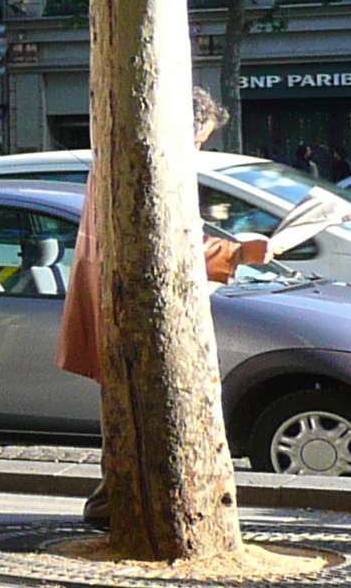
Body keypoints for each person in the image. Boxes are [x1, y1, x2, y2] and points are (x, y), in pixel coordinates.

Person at [56, 87, 273, 527]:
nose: (198, 150)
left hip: (123, 300)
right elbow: (161, 241)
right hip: (129, 306)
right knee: (141, 410)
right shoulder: (142, 166)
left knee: (135, 410)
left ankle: (114, 503)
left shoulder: (126, 158)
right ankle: (111, 505)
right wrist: (237, 253)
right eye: (198, 140)